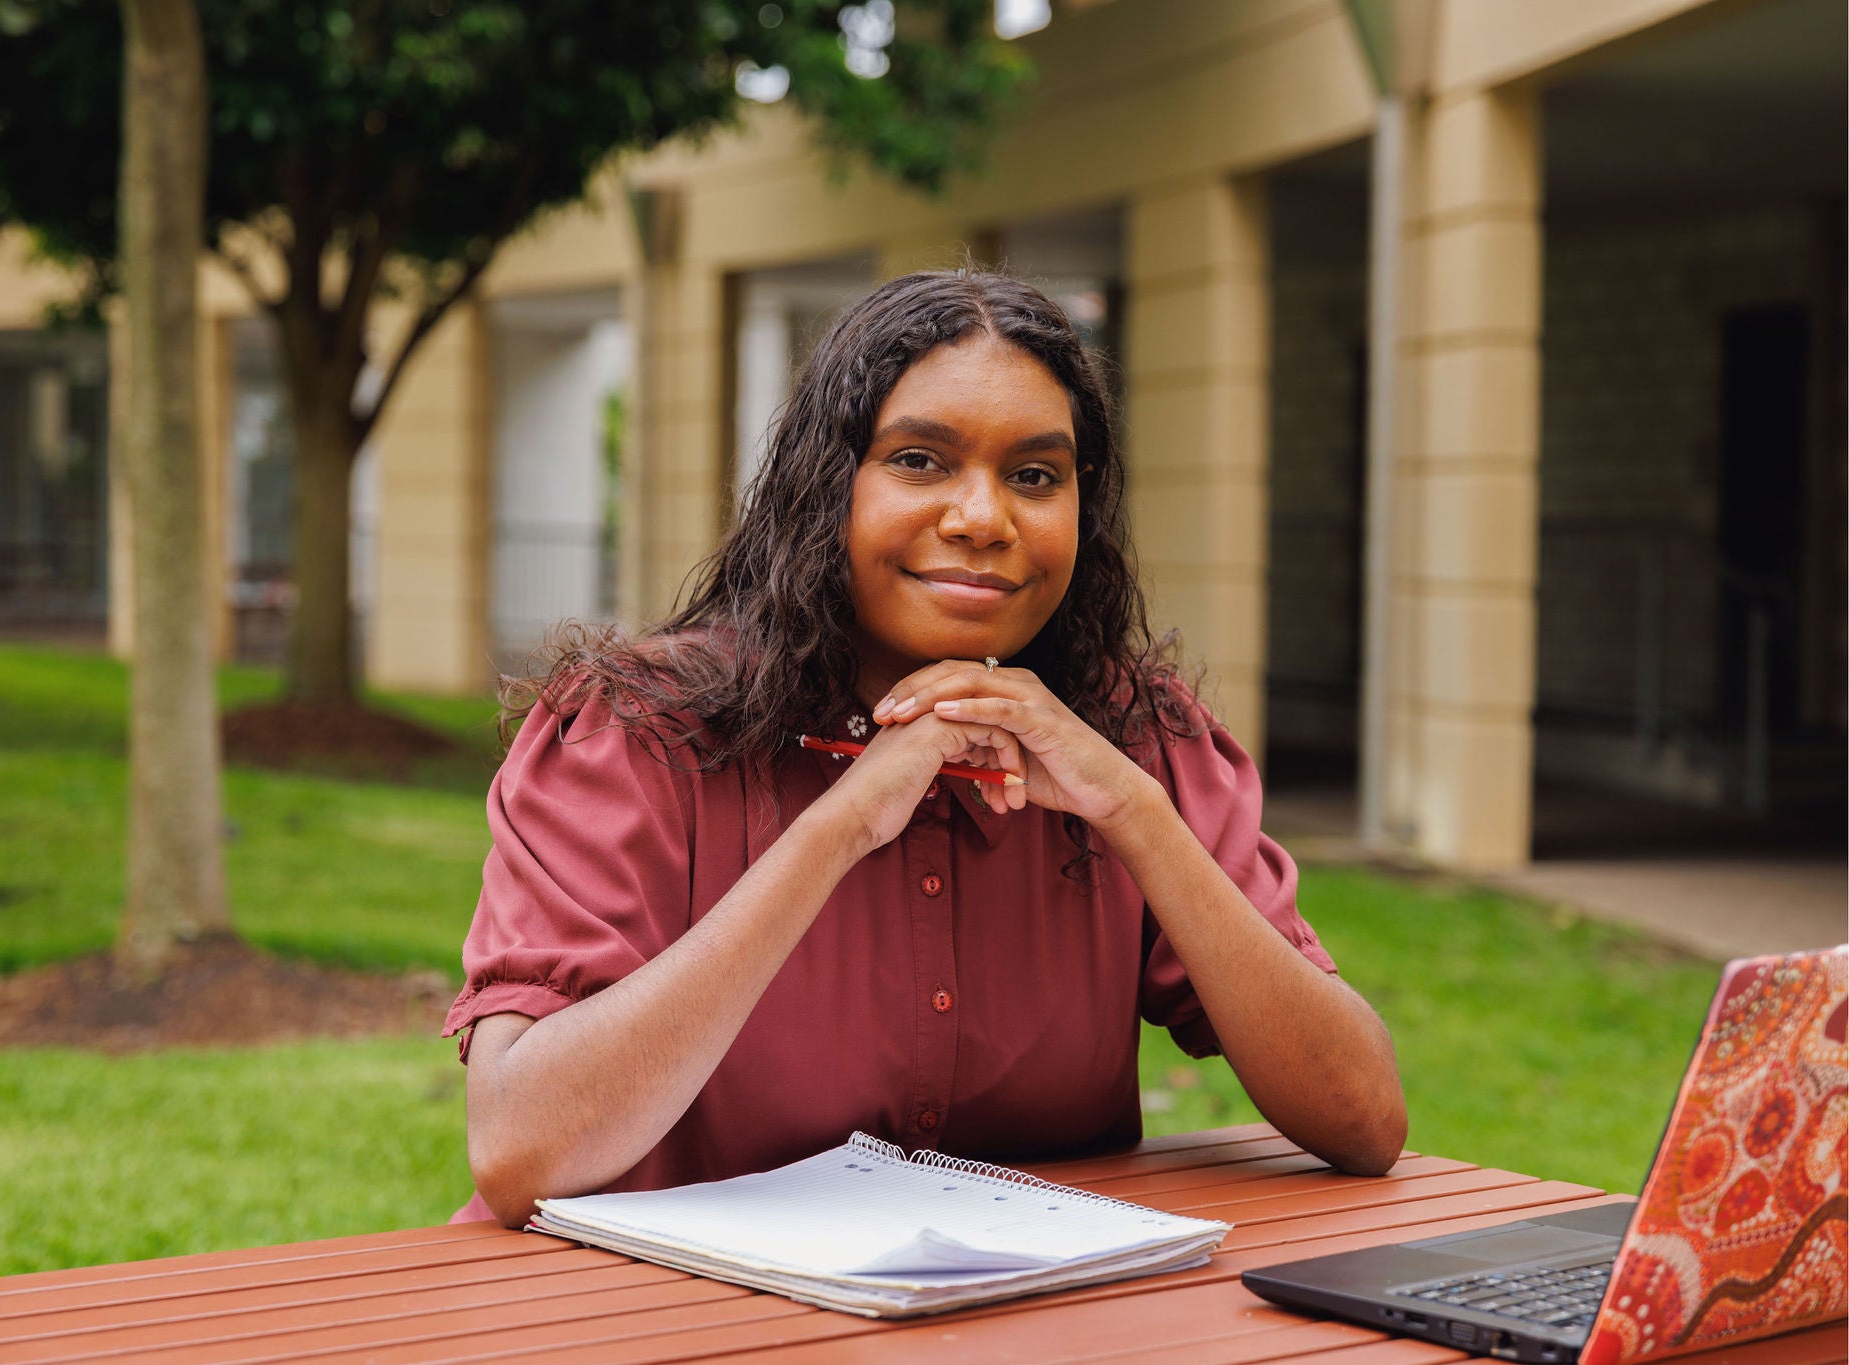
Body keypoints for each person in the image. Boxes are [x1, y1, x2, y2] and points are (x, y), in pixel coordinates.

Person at [444, 271, 1407, 1227]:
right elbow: (523, 1149)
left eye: (1035, 476)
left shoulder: (1133, 742)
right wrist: (847, 821)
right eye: (920, 460)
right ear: (826, 486)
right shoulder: (636, 732)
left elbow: (1363, 1119)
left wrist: (1133, 811)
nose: (984, 519)